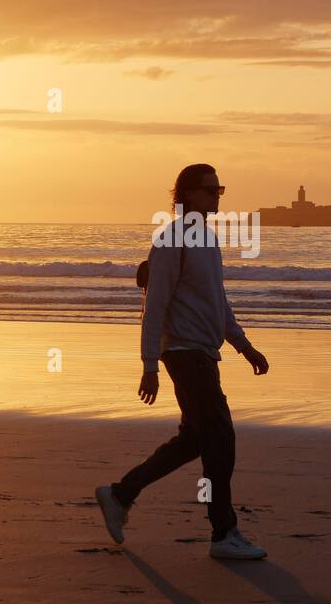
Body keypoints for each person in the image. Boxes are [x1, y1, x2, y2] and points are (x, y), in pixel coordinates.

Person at [96, 164, 270, 560]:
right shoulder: (172, 240)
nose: (217, 197)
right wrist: (150, 364)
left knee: (195, 438)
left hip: (205, 353)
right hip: (183, 353)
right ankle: (224, 534)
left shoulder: (207, 241)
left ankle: (121, 494)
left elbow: (217, 302)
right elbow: (154, 305)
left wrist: (244, 346)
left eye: (220, 189)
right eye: (211, 190)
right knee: (220, 438)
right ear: (187, 194)